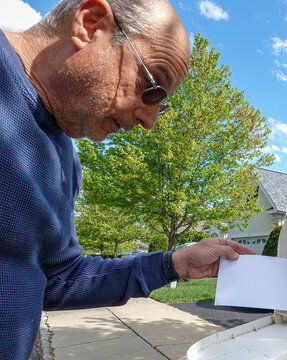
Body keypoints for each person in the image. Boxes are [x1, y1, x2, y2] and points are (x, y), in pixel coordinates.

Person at [0, 0, 255, 358]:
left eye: (161, 105)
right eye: (152, 87)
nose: (149, 121)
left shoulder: (65, 160)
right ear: (89, 24)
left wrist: (174, 263)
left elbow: (59, 279)